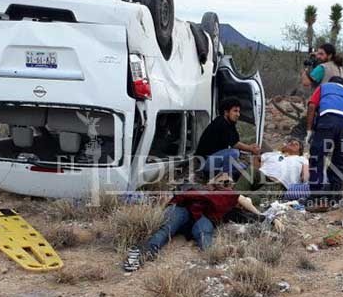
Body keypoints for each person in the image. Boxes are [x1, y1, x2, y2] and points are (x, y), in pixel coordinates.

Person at [123, 173, 260, 271]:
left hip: (202, 217)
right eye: (222, 182)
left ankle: (213, 254)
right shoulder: (199, 188)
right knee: (166, 229)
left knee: (204, 234)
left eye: (228, 183)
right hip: (183, 210)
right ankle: (143, 253)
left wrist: (260, 215)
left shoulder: (228, 196)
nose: (225, 185)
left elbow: (244, 201)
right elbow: (176, 199)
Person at [305, 76, 343, 211]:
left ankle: (316, 196)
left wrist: (309, 130)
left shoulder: (324, 87)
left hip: (328, 120)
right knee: (339, 160)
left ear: (331, 83)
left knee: (317, 156)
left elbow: (312, 105)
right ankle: (335, 196)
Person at [194, 97, 261, 177]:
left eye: (239, 111)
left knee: (245, 168)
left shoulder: (230, 123)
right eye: (235, 111)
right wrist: (250, 148)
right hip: (205, 163)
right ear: (226, 112)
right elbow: (235, 144)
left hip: (216, 160)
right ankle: (222, 178)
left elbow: (236, 141)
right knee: (234, 153)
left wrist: (250, 147)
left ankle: (227, 174)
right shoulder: (221, 123)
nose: (238, 114)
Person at [235, 138, 309, 201]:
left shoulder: (302, 159)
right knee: (251, 171)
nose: (292, 143)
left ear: (300, 151)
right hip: (261, 177)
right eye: (290, 142)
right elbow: (257, 160)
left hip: (278, 184)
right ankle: (234, 196)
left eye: (296, 144)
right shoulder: (273, 154)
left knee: (250, 200)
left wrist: (304, 181)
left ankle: (244, 202)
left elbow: (305, 176)